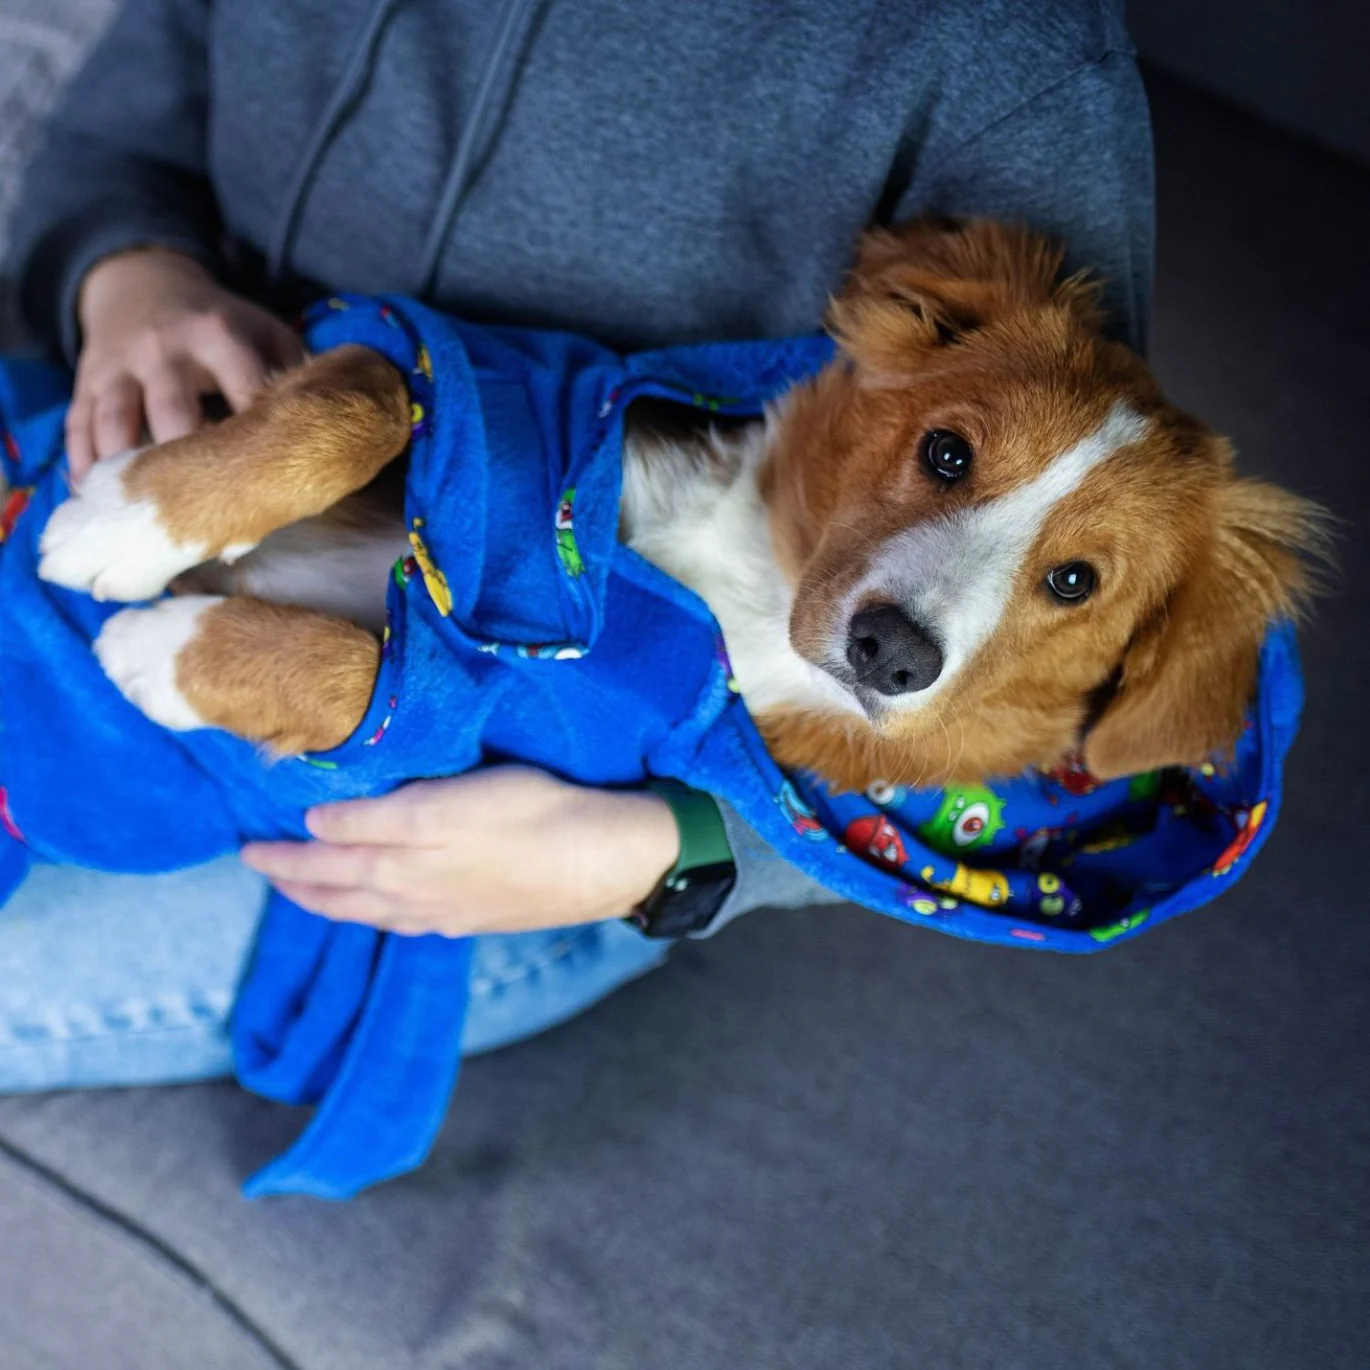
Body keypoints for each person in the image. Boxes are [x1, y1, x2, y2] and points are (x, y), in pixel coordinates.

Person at [0, 0, 1154, 1090]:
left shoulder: (1015, 62)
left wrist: (674, 850)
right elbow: (122, 125)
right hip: (208, 455)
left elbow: (1046, 675)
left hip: (523, 819)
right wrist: (129, 270)